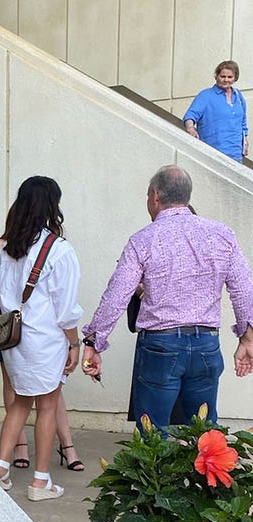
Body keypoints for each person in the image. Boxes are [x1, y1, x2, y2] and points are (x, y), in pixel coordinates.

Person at [81, 165, 253, 426]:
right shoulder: (222, 234)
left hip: (160, 345)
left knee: (152, 435)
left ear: (156, 196)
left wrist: (95, 340)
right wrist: (247, 337)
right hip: (207, 342)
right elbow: (243, 289)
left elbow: (116, 295)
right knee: (205, 435)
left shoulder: (142, 240)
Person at [0, 177, 81, 500]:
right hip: (46, 341)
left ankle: (0, 470)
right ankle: (40, 481)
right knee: (47, 407)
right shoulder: (59, 250)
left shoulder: (6, 246)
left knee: (19, 404)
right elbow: (66, 310)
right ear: (52, 207)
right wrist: (75, 343)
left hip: (14, 341)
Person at [0, 237, 84, 472]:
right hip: (27, 327)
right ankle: (33, 465)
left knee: (27, 396)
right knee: (38, 396)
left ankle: (5, 467)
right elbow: (66, 308)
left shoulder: (12, 245)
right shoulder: (49, 247)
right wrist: (74, 343)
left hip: (18, 324)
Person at [183, 61, 248, 162]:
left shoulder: (239, 96)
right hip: (213, 153)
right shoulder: (206, 95)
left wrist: (245, 143)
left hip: (236, 154)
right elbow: (190, 116)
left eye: (230, 77)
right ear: (216, 76)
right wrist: (190, 128)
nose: (226, 80)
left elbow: (243, 123)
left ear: (235, 78)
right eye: (222, 76)